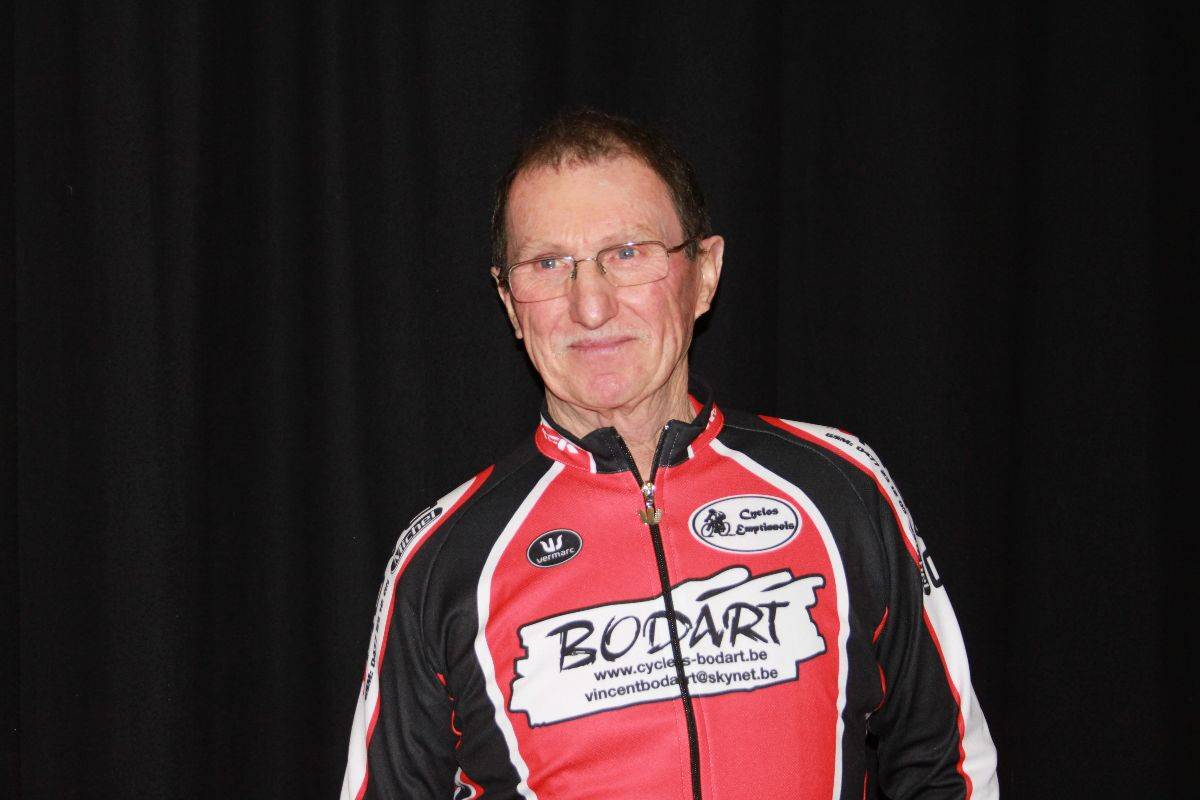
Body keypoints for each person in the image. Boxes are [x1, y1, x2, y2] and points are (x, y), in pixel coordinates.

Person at [340, 110, 999, 799]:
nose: (590, 305)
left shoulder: (841, 487)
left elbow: (948, 766)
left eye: (628, 253)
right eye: (548, 264)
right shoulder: (443, 559)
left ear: (704, 274)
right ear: (510, 303)